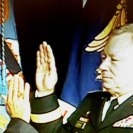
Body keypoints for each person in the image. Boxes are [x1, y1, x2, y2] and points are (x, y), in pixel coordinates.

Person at [5, 23, 133, 133]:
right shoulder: (94, 101)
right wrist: (45, 92)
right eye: (104, 57)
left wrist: (19, 124)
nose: (102, 66)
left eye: (114, 60)